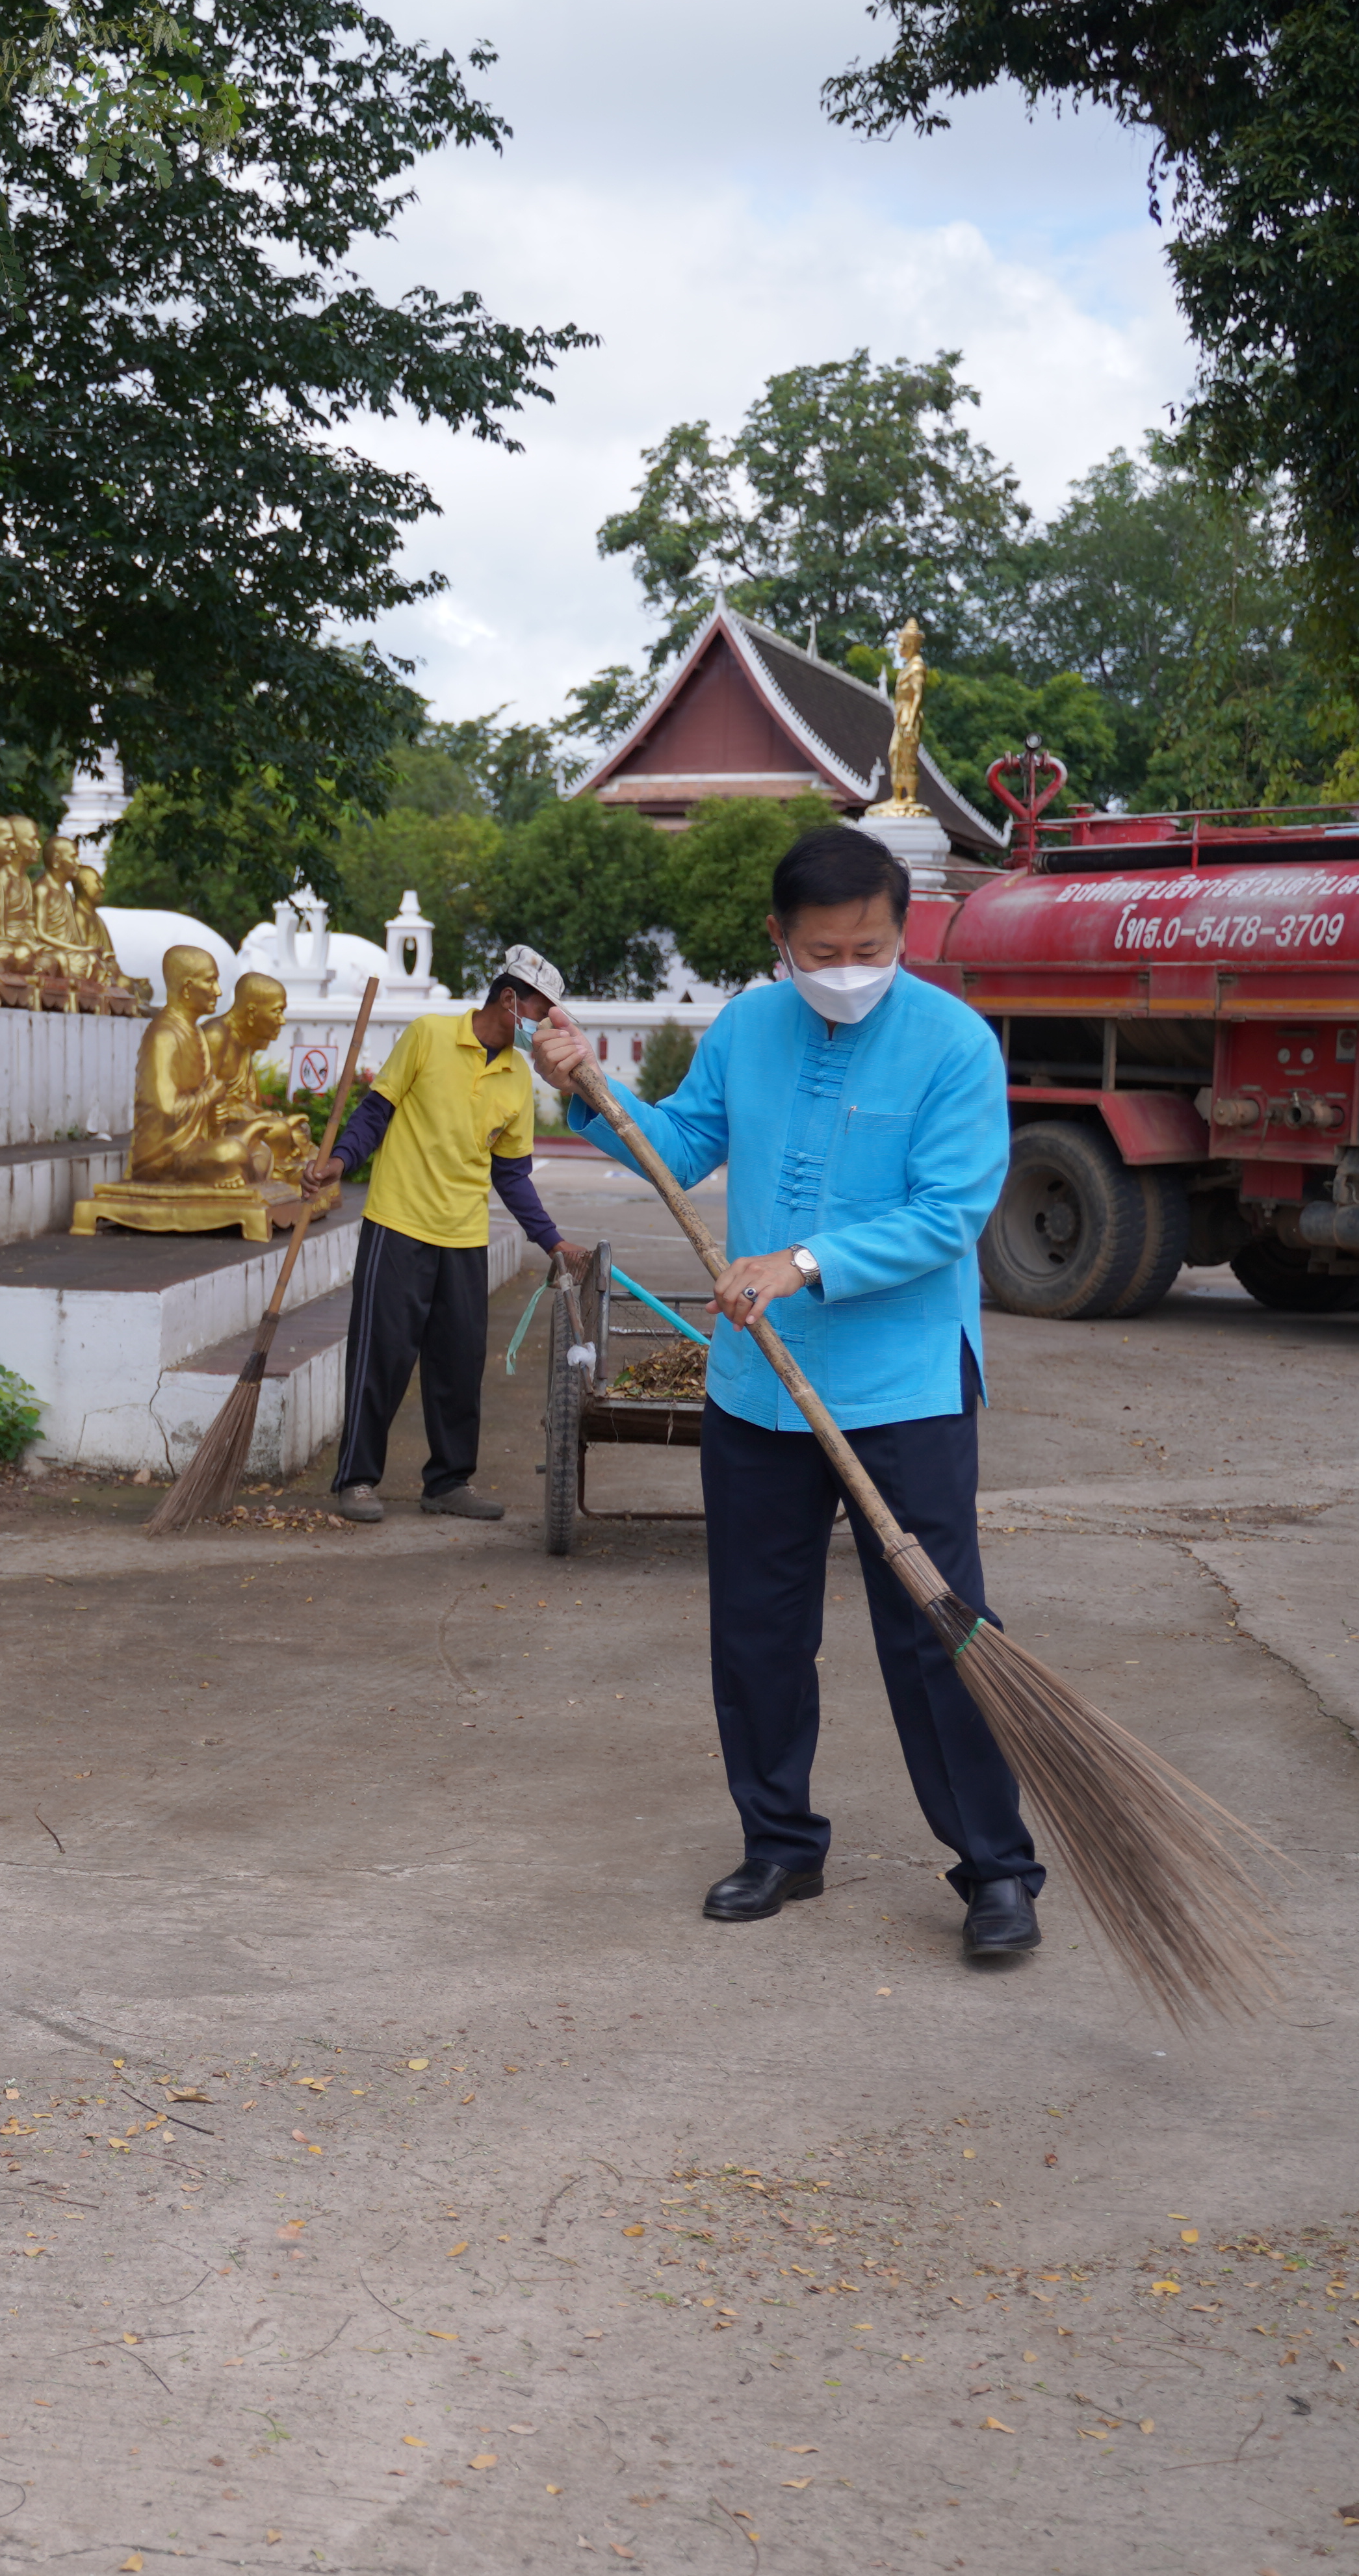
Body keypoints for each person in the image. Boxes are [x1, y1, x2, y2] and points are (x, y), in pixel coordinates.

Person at [532, 825, 1041, 1960]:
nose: (851, 965)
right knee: (756, 1628)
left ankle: (996, 1870)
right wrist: (587, 1088)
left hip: (904, 1385)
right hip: (759, 1390)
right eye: (826, 948)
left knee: (936, 1630)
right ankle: (780, 1842)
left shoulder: (957, 1045)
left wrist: (801, 1263)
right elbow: (677, 1142)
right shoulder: (749, 1028)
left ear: (906, 932)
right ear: (781, 941)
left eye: (873, 945)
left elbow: (950, 1212)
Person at [301, 944, 587, 1523]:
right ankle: (356, 1479)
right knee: (380, 1357)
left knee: (458, 1365)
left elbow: (512, 1176)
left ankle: (449, 1482)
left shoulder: (515, 1081)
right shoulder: (429, 1035)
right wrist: (340, 1161)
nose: (546, 1026)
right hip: (397, 1224)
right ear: (510, 1000)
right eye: (541, 1012)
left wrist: (551, 1240)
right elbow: (375, 1112)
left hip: (463, 1237)